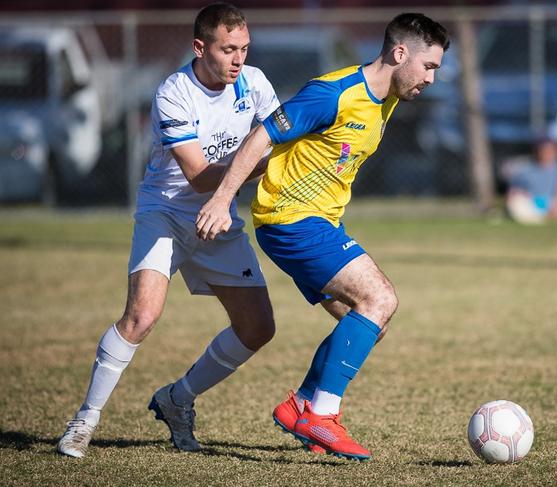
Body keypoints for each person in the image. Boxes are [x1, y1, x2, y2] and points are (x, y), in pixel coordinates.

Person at [194, 13, 450, 460]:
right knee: (380, 299)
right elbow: (263, 135)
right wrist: (221, 199)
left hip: (319, 222)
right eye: (428, 67)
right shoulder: (333, 94)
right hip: (290, 219)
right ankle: (321, 415)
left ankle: (305, 406)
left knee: (370, 321)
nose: (431, 78)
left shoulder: (386, 98)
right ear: (399, 53)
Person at [56, 2, 280, 458]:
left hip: (219, 217)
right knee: (142, 316)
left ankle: (177, 399)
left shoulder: (254, 82)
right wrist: (259, 165)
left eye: (244, 48)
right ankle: (85, 420)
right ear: (200, 47)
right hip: (167, 213)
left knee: (258, 328)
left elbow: (285, 137)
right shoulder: (173, 93)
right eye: (228, 49)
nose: (239, 59)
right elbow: (199, 176)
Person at [506, 136, 557, 224]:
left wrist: (556, 205)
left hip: (552, 202)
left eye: (550, 150)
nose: (547, 153)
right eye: (544, 150)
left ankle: (539, 219)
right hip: (532, 202)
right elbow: (514, 191)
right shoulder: (526, 170)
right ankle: (539, 218)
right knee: (516, 204)